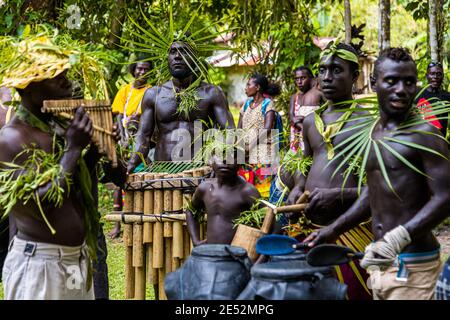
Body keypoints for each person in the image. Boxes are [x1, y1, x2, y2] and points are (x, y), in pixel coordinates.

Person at [305, 48, 450, 300]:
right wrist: (334, 229)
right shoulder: (372, 133)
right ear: (374, 83)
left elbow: (446, 196)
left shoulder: (425, 134)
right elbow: (375, 191)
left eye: (409, 81)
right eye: (391, 81)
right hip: (378, 261)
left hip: (413, 267)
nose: (402, 89)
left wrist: (396, 239)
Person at [0, 36, 124, 300]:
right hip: (39, 265)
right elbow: (38, 205)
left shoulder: (61, 128)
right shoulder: (11, 139)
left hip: (75, 260)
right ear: (30, 87)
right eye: (58, 78)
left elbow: (74, 192)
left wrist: (93, 155)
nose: (70, 83)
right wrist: (73, 150)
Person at [286, 41, 372, 300]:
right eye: (322, 70)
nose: (327, 77)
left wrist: (340, 195)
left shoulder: (368, 121)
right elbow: (305, 161)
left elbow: (383, 185)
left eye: (336, 70)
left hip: (352, 230)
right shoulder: (312, 121)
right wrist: (299, 186)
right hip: (309, 225)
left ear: (355, 76)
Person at [127, 40, 235, 172]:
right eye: (173, 52)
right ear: (167, 59)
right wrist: (132, 162)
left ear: (194, 59)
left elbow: (229, 133)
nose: (177, 56)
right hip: (163, 171)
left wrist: (220, 164)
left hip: (200, 170)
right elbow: (143, 135)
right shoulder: (154, 94)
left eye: (184, 52)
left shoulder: (211, 93)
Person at [109, 57, 152, 239]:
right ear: (133, 70)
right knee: (119, 181)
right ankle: (117, 225)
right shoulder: (125, 90)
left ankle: (142, 221)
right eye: (139, 69)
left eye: (146, 70)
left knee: (144, 179)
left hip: (145, 142)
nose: (142, 73)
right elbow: (118, 115)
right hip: (125, 141)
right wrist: (123, 137)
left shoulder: (151, 91)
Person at [186, 155, 261, 245]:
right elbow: (190, 211)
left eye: (233, 156)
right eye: (219, 155)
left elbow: (273, 222)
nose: (225, 160)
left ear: (241, 162)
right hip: (210, 253)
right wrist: (195, 241)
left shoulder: (247, 191)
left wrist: (260, 258)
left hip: (236, 255)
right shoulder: (204, 189)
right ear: (211, 161)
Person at [238, 73, 281, 198]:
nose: (245, 88)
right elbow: (239, 128)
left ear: (257, 87)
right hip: (246, 154)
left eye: (248, 85)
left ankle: (265, 215)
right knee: (246, 187)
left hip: (263, 153)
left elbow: (267, 128)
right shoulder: (246, 104)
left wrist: (250, 147)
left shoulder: (268, 104)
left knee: (263, 189)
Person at [289, 67, 324, 152]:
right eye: (297, 79)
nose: (299, 82)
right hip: (297, 138)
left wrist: (306, 124)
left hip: (314, 136)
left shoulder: (318, 93)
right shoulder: (294, 97)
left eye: (303, 78)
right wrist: (299, 124)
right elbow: (291, 117)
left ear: (311, 78)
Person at [415, 61, 450, 138]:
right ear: (427, 75)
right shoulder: (417, 94)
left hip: (440, 143)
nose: (435, 77)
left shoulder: (447, 96)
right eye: (432, 74)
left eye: (439, 74)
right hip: (420, 142)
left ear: (443, 76)